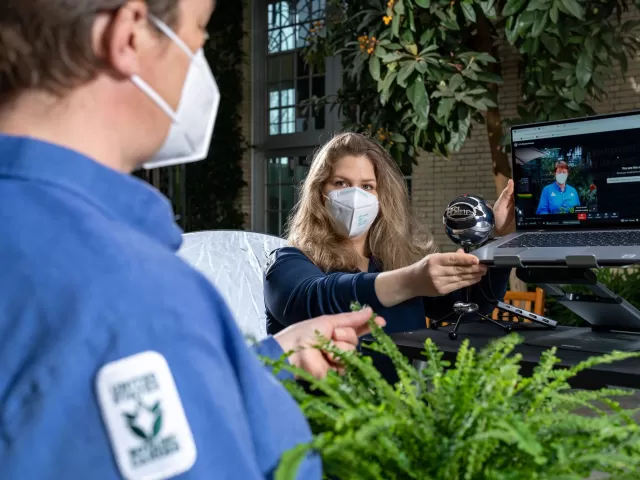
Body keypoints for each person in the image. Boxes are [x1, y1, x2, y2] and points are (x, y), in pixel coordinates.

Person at [0, 1, 386, 479]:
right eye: (199, 33)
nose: (198, 61)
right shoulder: (130, 290)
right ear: (129, 36)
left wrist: (258, 367)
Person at [265, 133, 515, 337]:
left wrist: (498, 242)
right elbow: (312, 300)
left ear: (382, 198)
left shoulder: (396, 261)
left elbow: (467, 310)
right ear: (319, 192)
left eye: (367, 186)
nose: (355, 196)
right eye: (340, 183)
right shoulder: (287, 263)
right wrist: (411, 280)